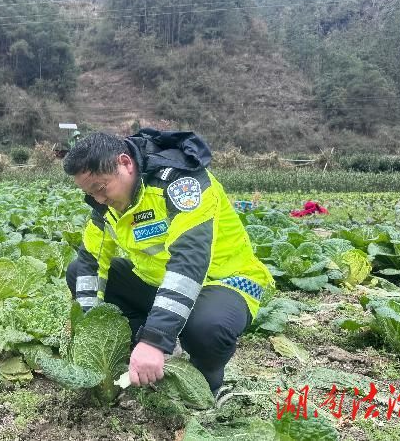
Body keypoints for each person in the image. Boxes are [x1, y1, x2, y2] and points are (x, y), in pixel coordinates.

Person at [63, 129, 273, 398]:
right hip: (162, 283)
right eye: (91, 194)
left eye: (101, 188)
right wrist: (89, 333)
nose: (99, 200)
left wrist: (155, 339)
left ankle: (203, 387)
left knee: (206, 329)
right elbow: (91, 262)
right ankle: (147, 345)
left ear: (125, 163)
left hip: (223, 281)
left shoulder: (182, 183)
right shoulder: (105, 205)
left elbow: (188, 262)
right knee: (77, 272)